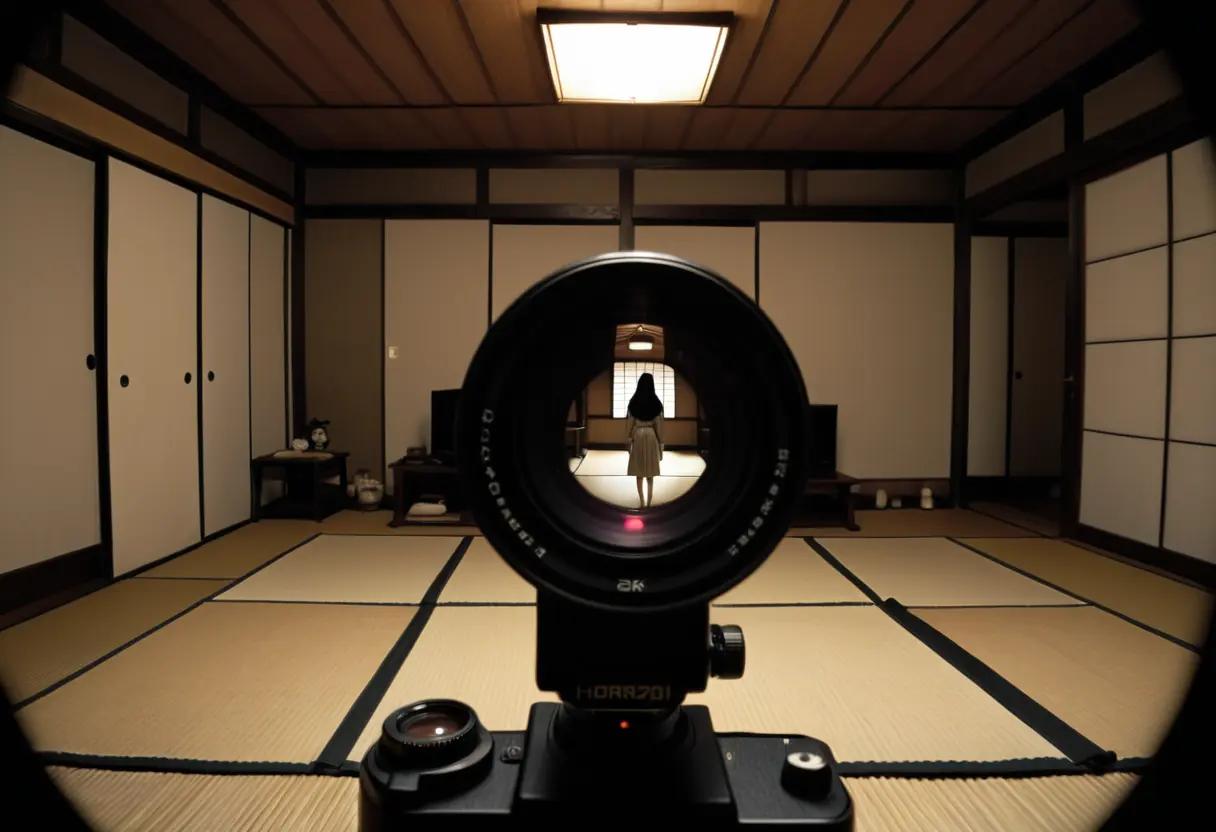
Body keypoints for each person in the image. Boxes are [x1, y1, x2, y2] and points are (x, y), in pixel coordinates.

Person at [626, 373, 664, 509]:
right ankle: (649, 501)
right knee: (650, 472)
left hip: (638, 435)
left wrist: (629, 440)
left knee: (639, 471)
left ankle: (642, 501)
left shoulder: (633, 402)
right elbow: (659, 427)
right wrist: (661, 447)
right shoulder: (656, 403)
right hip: (651, 435)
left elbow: (630, 425)